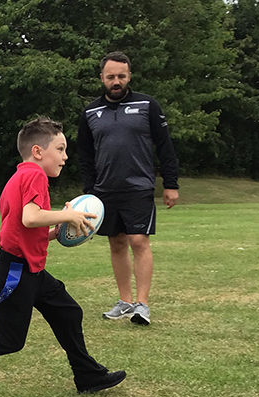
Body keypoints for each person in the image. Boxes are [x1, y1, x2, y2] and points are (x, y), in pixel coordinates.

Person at [0, 117, 126, 397]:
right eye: (60, 148)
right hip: (18, 272)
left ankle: (87, 375)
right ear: (38, 152)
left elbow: (25, 228)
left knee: (68, 311)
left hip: (27, 268)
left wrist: (60, 230)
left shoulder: (20, 176)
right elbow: (30, 218)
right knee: (7, 339)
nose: (65, 157)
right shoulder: (34, 175)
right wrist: (68, 214)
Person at [77, 51, 180, 326]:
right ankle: (124, 301)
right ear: (102, 78)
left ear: (129, 76)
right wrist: (90, 191)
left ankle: (142, 305)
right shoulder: (90, 112)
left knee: (139, 241)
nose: (116, 81)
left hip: (139, 187)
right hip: (105, 190)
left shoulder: (148, 105)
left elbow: (165, 147)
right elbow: (85, 156)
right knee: (117, 242)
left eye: (121, 76)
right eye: (111, 76)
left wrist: (170, 184)